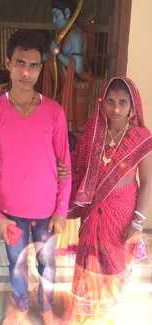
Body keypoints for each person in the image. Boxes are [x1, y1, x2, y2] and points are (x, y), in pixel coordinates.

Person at [58, 76, 152, 324]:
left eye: (123, 102)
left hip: (122, 211)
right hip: (94, 210)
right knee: (88, 259)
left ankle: (107, 315)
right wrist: (64, 174)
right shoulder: (93, 130)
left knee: (115, 262)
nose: (117, 108)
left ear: (133, 105)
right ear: (102, 102)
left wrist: (138, 221)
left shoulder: (140, 137)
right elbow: (77, 165)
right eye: (110, 101)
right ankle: (85, 314)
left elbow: (147, 183)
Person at [0, 29, 71, 325]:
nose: (26, 72)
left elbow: (65, 166)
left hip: (47, 212)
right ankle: (19, 305)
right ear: (7, 63)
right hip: (10, 213)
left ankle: (47, 307)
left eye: (33, 65)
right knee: (16, 262)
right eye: (19, 63)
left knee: (46, 262)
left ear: (41, 68)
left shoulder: (54, 112)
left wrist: (61, 211)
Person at [43, 0, 94, 132]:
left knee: (77, 125)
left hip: (78, 85)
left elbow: (78, 68)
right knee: (60, 118)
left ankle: (77, 149)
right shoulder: (62, 34)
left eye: (56, 15)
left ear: (66, 13)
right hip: (65, 82)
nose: (54, 21)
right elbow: (52, 57)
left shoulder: (75, 36)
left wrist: (57, 53)